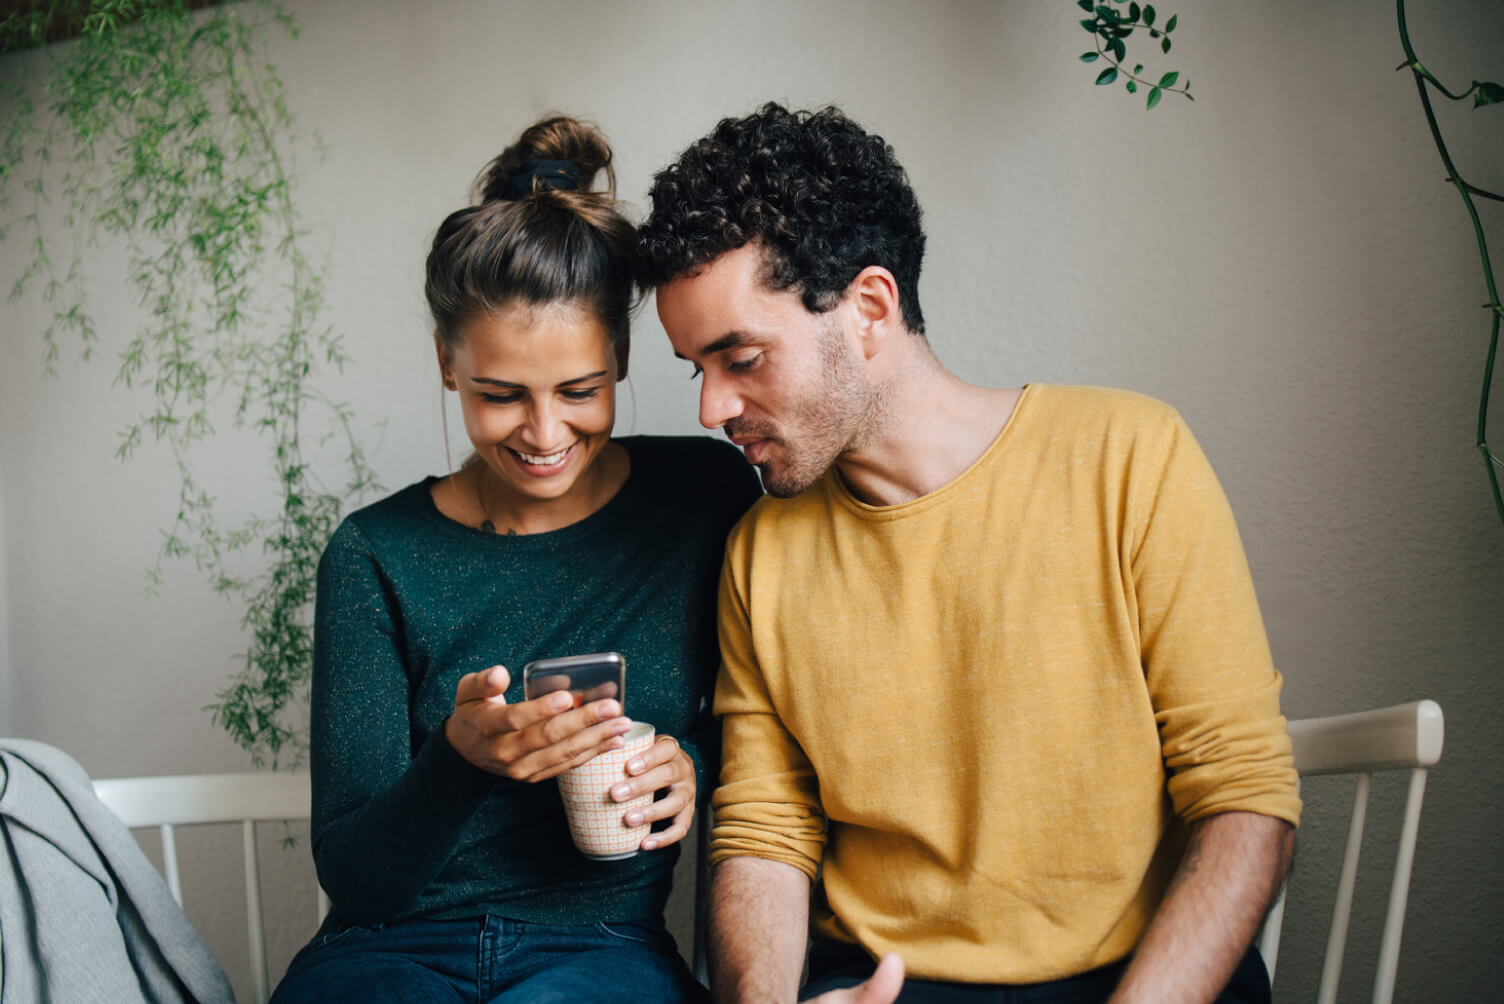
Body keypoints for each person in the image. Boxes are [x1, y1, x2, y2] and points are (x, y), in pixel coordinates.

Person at [636, 104, 1302, 1004]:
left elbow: (1244, 797)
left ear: (870, 307)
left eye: (742, 357)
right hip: (888, 984)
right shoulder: (763, 553)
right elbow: (766, 828)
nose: (711, 409)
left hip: (1147, 977)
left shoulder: (1129, 456)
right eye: (697, 370)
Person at [270, 116, 761, 1004]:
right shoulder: (373, 555)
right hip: (384, 951)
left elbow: (771, 719)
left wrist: (689, 760)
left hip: (599, 950)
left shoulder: (704, 499)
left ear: (618, 357)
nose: (544, 434)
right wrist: (461, 759)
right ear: (447, 366)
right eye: (501, 395)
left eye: (580, 391)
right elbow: (360, 879)